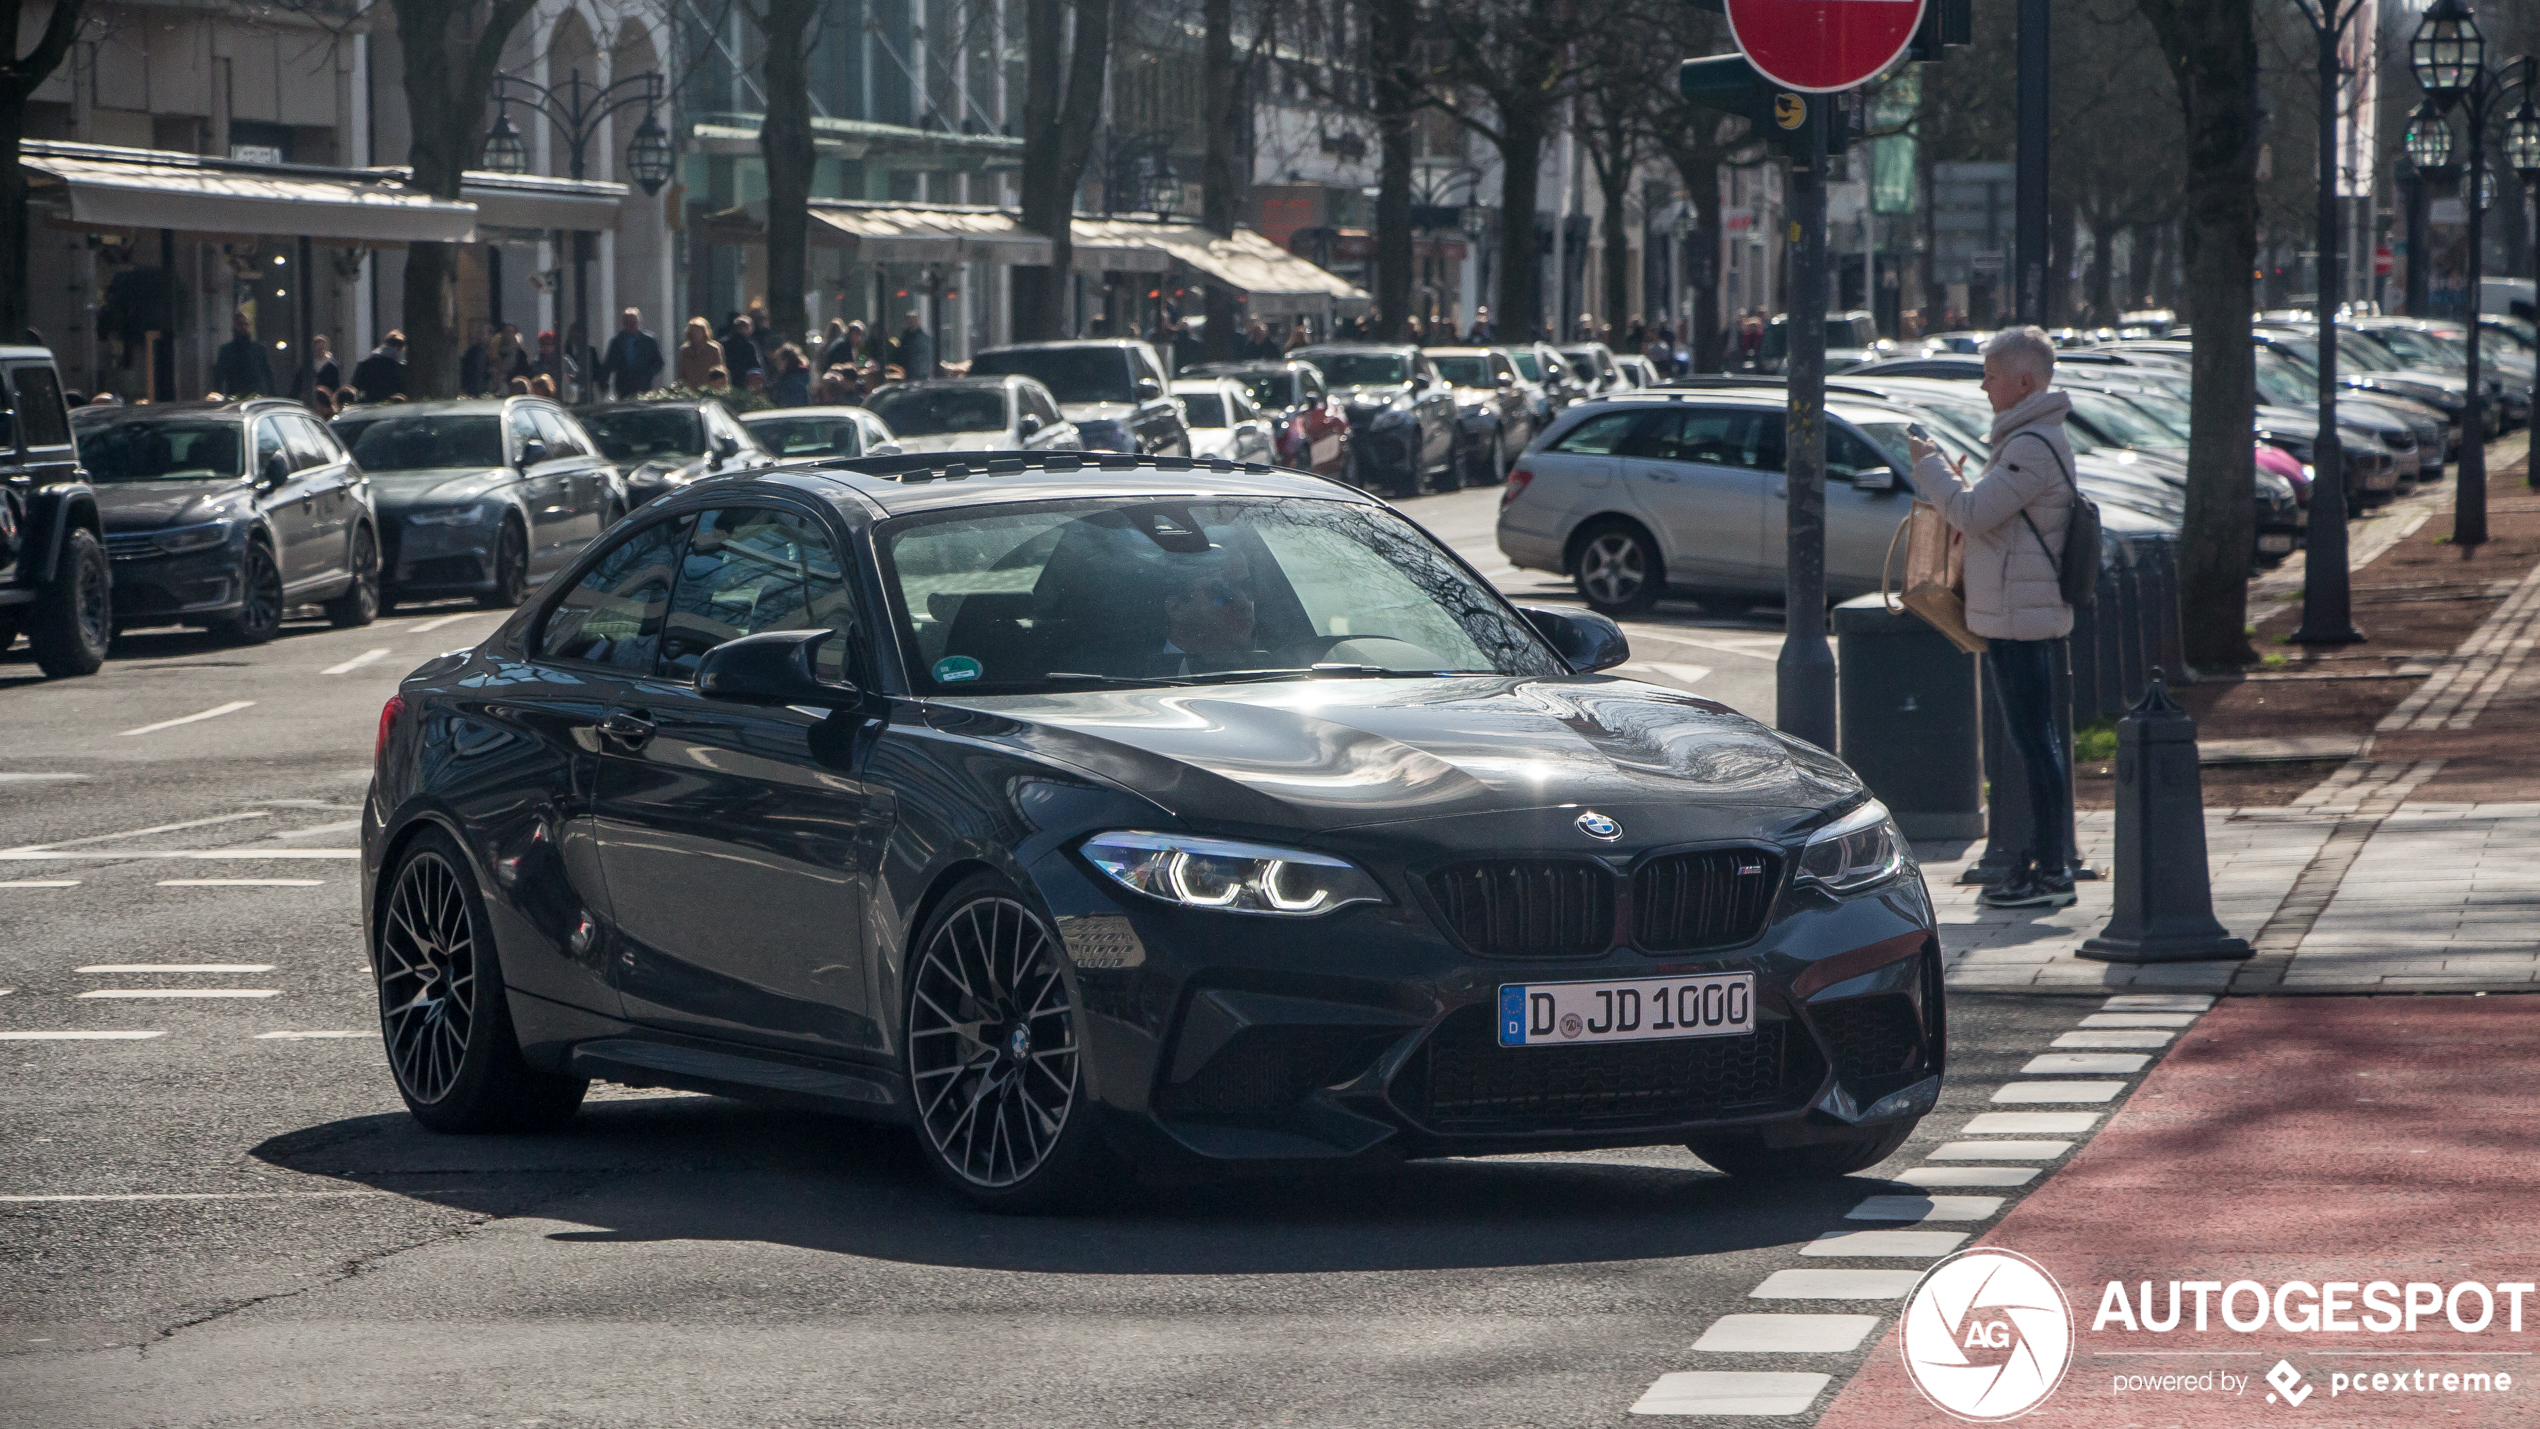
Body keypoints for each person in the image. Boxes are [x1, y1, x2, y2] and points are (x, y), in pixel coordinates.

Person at [1904, 325, 2081, 911]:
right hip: (2015, 607)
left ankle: (2051, 869)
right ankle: (2044, 861)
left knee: (2036, 742)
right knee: (2036, 741)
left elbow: (1974, 513)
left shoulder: (2031, 447)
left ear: (2025, 382)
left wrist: (1929, 467)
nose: (1983, 386)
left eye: (1993, 375)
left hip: (2020, 614)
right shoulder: (2028, 440)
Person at [1153, 553, 1258, 675]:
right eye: (1220, 592)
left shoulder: (1276, 672)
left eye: (1247, 587)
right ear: (1175, 608)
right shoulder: (1136, 675)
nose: (1244, 604)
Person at [597, 307, 665, 398]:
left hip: (643, 387)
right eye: (627, 322)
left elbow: (659, 362)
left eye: (633, 321)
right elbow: (608, 364)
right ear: (624, 323)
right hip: (623, 386)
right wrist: (604, 384)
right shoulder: (617, 342)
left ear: (639, 322)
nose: (631, 324)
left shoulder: (649, 341)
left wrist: (648, 374)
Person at [212, 311, 275, 396]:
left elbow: (268, 372)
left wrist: (272, 392)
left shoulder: (259, 349)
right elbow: (219, 375)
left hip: (254, 393)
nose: (243, 327)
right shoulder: (226, 350)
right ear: (235, 326)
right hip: (235, 393)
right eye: (240, 324)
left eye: (246, 324)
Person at [351, 331, 407, 405]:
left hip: (369, 402)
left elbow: (355, 384)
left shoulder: (367, 362)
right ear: (399, 348)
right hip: (391, 404)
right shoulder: (397, 367)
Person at [676, 317, 723, 390]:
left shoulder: (713, 349)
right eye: (693, 331)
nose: (695, 334)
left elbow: (719, 371)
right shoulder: (685, 350)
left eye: (698, 331)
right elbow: (681, 372)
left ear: (704, 332)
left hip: (708, 388)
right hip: (690, 389)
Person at [889, 311, 932, 382]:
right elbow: (900, 354)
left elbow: (927, 355)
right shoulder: (904, 338)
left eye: (913, 320)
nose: (911, 323)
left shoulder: (924, 338)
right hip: (907, 373)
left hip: (921, 373)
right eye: (909, 320)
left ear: (918, 321)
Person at [720, 315, 763, 386]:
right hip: (745, 381)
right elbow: (755, 365)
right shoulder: (749, 345)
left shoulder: (723, 343)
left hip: (727, 380)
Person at [295, 334, 339, 399]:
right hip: (310, 399)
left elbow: (336, 385)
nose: (320, 350)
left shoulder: (332, 367)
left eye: (322, 347)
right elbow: (298, 384)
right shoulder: (307, 366)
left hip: (326, 400)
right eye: (318, 347)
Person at [459, 321, 494, 396]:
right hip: (474, 390)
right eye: (479, 333)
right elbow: (465, 370)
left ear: (490, 335)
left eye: (482, 333)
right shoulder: (471, 352)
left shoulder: (497, 350)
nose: (479, 336)